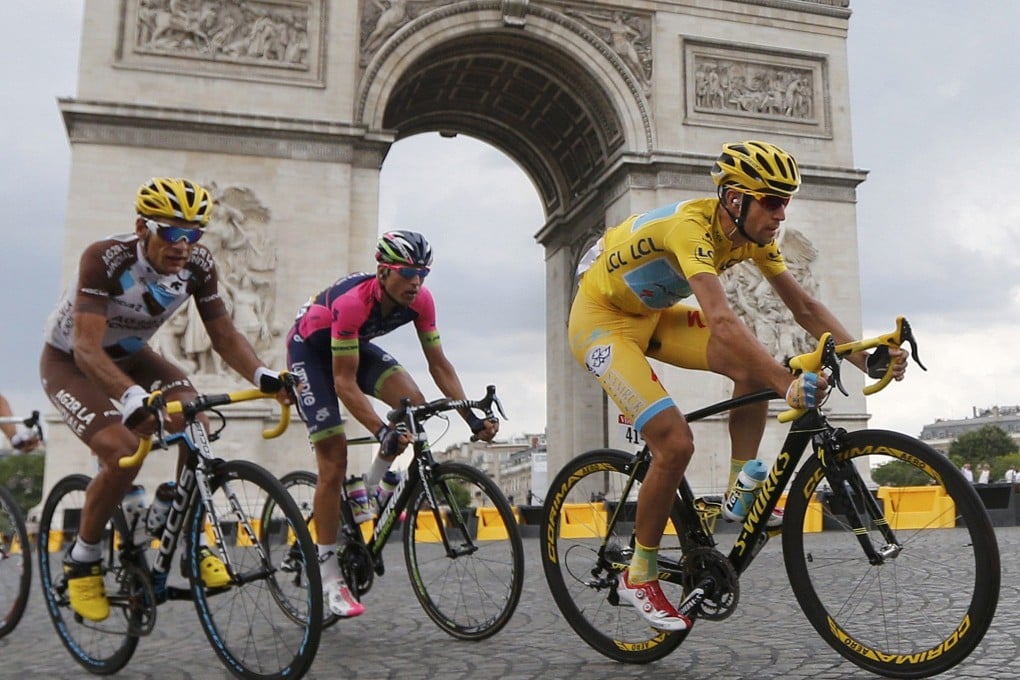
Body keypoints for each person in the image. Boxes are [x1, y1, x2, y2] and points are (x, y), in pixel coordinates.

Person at [567, 140, 908, 632]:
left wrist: (865, 357)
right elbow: (723, 321)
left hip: (652, 315)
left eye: (786, 200)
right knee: (674, 441)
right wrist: (784, 381)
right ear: (734, 199)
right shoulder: (690, 229)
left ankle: (736, 492)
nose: (781, 213)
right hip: (601, 322)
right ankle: (638, 575)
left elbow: (804, 308)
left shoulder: (754, 238)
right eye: (771, 200)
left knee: (750, 369)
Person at [39, 177, 289, 623]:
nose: (184, 246)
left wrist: (263, 374)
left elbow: (225, 335)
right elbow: (88, 350)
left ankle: (182, 523)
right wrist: (133, 397)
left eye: (194, 234)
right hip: (73, 362)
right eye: (173, 233)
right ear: (142, 227)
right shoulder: (105, 258)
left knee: (196, 419)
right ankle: (84, 557)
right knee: (120, 451)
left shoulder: (199, 265)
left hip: (134, 356)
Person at [286, 230, 499, 618]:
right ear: (383, 272)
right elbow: (344, 383)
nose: (416, 282)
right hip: (310, 352)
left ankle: (373, 489)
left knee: (414, 406)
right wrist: (379, 429)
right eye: (407, 272)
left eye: (423, 273)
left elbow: (439, 365)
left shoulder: (422, 300)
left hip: (350, 346)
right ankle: (329, 574)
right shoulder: (353, 302)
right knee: (333, 462)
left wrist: (471, 416)